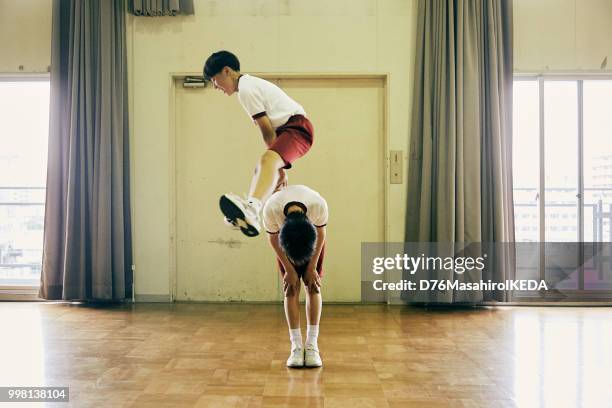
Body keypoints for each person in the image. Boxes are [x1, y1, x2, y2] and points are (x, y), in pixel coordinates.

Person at [203, 50, 315, 237]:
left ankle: (252, 209)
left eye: (214, 80)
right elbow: (270, 133)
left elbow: (267, 130)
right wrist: (277, 167)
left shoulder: (246, 88)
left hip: (297, 128)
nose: (215, 86)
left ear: (226, 71)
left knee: (267, 160)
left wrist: (278, 167)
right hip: (289, 131)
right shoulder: (248, 85)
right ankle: (251, 210)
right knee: (263, 166)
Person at [263, 184, 328, 368]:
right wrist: (289, 269)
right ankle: (296, 346)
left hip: (313, 243)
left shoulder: (318, 205)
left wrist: (312, 267)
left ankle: (312, 344)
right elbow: (273, 238)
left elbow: (321, 233)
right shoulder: (271, 208)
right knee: (290, 288)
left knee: (312, 284)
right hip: (285, 245)